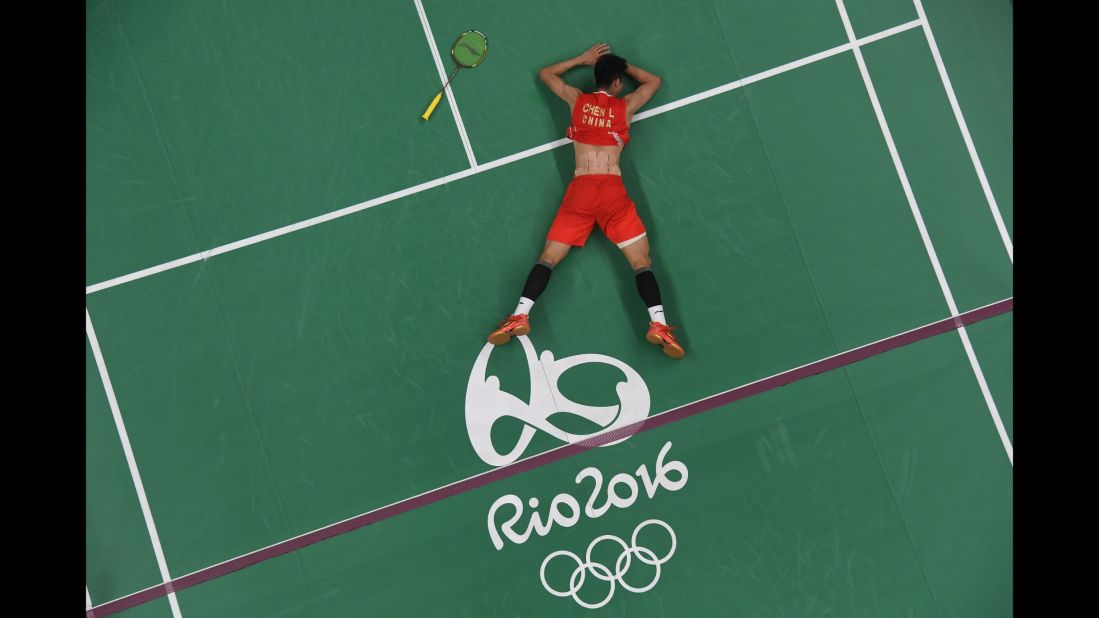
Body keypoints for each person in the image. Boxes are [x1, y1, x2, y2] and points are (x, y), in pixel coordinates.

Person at [487, 43, 684, 359]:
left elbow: (546, 74)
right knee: (641, 262)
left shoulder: (577, 100)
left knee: (548, 258)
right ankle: (658, 324)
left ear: (595, 78)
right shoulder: (626, 106)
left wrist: (582, 59)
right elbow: (654, 82)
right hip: (611, 193)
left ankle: (520, 314)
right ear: (618, 82)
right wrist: (621, 64)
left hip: (580, 191)